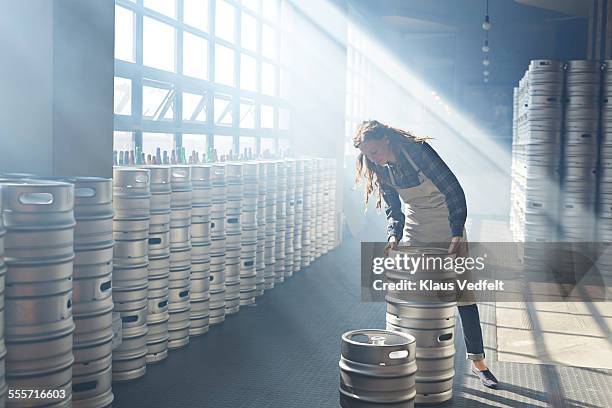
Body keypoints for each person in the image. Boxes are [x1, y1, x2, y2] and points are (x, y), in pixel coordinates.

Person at [353, 120, 499, 389]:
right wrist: (394, 234)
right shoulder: (377, 165)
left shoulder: (418, 151)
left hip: (447, 224)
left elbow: (453, 190)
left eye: (374, 151)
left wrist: (456, 230)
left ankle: (479, 364)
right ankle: (406, 362)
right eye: (367, 155)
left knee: (463, 297)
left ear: (385, 139)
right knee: (410, 297)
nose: (373, 158)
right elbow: (393, 208)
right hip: (416, 229)